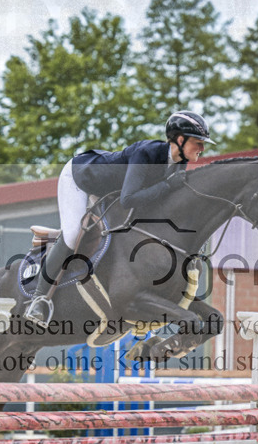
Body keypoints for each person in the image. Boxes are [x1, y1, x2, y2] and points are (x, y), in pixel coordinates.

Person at [24, 110, 214, 327]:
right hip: (81, 178)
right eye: (198, 142)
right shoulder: (147, 154)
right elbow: (129, 198)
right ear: (180, 140)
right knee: (73, 234)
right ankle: (39, 299)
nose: (202, 149)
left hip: (109, 190)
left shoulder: (179, 162)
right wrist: (169, 185)